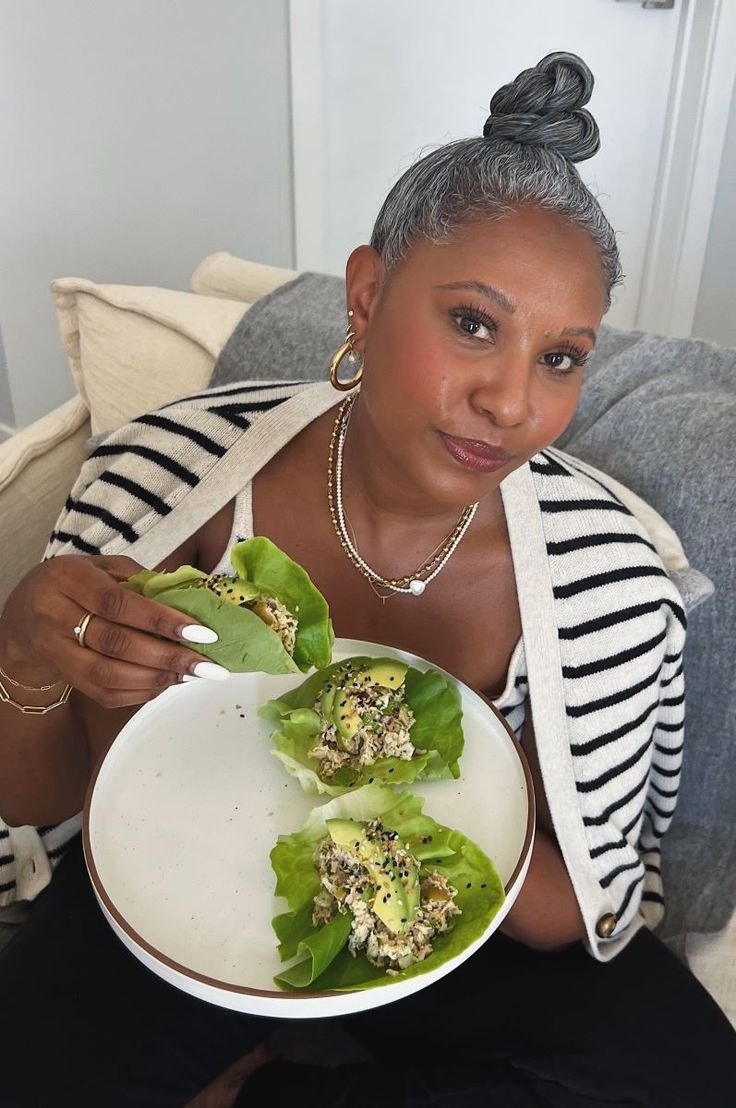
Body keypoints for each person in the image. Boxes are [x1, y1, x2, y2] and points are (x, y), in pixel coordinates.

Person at [0, 51, 733, 1108]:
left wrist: (419, 777)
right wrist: (26, 653)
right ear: (367, 293)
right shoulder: (166, 479)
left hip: (457, 931)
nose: (509, 401)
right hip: (181, 916)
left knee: (687, 1080)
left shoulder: (610, 578)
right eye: (473, 323)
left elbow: (566, 909)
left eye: (561, 357)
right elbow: (42, 803)